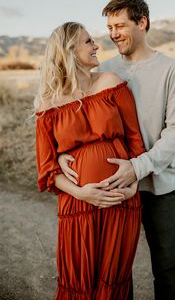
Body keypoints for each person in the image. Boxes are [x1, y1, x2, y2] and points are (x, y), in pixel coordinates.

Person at [59, 0, 175, 300]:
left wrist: (137, 167)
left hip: (158, 185)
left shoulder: (172, 71)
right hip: (111, 187)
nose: (113, 33)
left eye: (120, 25)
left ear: (142, 22)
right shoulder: (103, 71)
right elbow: (80, 121)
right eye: (109, 26)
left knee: (167, 267)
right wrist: (68, 153)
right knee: (116, 270)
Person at [35, 21, 145, 299]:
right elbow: (47, 169)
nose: (97, 45)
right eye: (88, 41)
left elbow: (135, 141)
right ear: (69, 50)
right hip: (76, 205)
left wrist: (135, 181)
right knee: (79, 279)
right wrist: (82, 192)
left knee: (113, 278)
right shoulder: (48, 103)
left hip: (120, 198)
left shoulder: (111, 83)